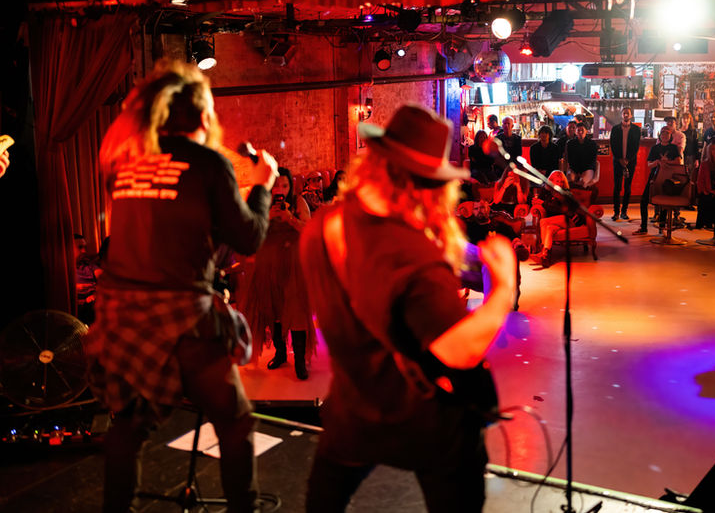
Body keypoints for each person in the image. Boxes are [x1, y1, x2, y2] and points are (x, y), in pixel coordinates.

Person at [299, 104, 516, 513]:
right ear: (429, 185)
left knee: (323, 502)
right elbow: (457, 351)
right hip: (427, 424)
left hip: (353, 412)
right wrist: (502, 289)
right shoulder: (416, 259)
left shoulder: (321, 226)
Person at [84, 59, 278, 513]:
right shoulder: (209, 163)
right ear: (204, 114)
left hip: (124, 314)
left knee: (129, 426)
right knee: (235, 422)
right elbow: (247, 238)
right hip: (182, 315)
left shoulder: (126, 160)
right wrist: (263, 184)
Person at [243, 167, 314, 379]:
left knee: (296, 310)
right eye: (276, 185)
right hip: (268, 265)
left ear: (290, 186)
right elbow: (250, 234)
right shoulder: (260, 204)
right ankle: (281, 353)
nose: (280, 189)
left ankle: (300, 360)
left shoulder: (298, 202)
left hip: (293, 265)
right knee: (272, 310)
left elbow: (308, 229)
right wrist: (266, 217)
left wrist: (290, 217)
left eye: (284, 185)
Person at [633, 126, 682, 235]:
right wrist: (658, 162)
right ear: (660, 135)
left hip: (669, 178)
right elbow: (649, 164)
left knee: (664, 202)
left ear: (670, 136)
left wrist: (667, 162)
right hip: (654, 177)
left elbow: (678, 161)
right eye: (663, 133)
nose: (664, 136)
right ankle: (644, 227)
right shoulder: (655, 148)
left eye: (667, 134)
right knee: (644, 201)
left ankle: (662, 227)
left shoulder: (674, 148)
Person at [533, 170, 586, 268]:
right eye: (557, 181)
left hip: (570, 221)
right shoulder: (547, 192)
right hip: (556, 222)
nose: (560, 184)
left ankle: (542, 252)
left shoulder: (566, 193)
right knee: (549, 228)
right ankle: (545, 255)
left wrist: (543, 203)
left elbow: (561, 210)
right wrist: (537, 202)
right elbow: (541, 202)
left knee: (543, 221)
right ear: (551, 182)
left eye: (561, 181)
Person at [610, 107, 641, 221]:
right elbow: (612, 145)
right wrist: (619, 159)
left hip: (630, 162)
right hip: (617, 162)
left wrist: (628, 159)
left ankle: (624, 211)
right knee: (617, 187)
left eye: (628, 113)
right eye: (624, 113)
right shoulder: (615, 129)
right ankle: (616, 212)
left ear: (631, 115)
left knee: (627, 187)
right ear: (621, 115)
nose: (626, 115)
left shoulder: (637, 129)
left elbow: (636, 146)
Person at [74, 233, 101, 325]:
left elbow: (105, 280)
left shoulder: (88, 265)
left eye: (85, 247)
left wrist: (95, 294)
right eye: (80, 247)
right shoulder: (64, 271)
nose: (84, 251)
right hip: (79, 307)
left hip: (94, 301)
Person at [565, 123, 598, 189]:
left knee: (582, 181)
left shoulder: (592, 144)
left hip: (587, 168)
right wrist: (577, 171)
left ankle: (582, 198)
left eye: (582, 130)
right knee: (570, 179)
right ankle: (571, 198)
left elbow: (592, 161)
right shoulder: (570, 143)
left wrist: (582, 172)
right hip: (574, 168)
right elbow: (570, 159)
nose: (580, 132)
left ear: (586, 131)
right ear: (576, 132)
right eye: (578, 130)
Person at [680, 111, 699, 181]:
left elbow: (696, 146)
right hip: (680, 157)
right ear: (681, 119)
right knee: (681, 176)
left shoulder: (693, 132)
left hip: (690, 157)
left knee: (690, 178)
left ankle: (689, 191)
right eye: (684, 118)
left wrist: (697, 159)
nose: (685, 120)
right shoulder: (678, 132)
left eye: (687, 118)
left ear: (690, 120)